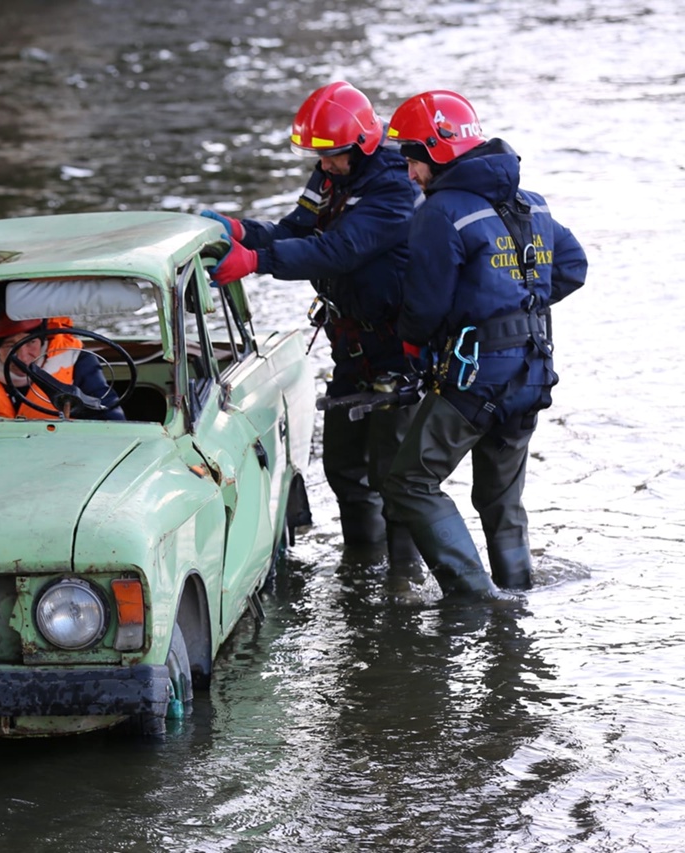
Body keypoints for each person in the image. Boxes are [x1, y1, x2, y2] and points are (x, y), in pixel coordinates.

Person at [202, 81, 423, 577]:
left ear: (362, 144)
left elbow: (338, 251)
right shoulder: (329, 174)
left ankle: (404, 582)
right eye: (317, 155)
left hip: (398, 351)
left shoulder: (395, 188)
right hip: (353, 344)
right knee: (343, 467)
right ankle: (362, 566)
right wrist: (243, 232)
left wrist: (256, 260)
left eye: (333, 155)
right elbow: (296, 232)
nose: (324, 164)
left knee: (397, 474)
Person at [381, 89, 587, 598]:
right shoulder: (532, 204)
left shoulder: (441, 211)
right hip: (533, 374)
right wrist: (518, 310)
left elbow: (425, 308)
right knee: (501, 498)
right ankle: (517, 598)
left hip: (475, 380)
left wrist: (419, 342)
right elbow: (573, 268)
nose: (409, 174)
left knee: (409, 482)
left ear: (438, 150)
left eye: (413, 160)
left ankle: (475, 599)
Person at [0, 312, 126, 420]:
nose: (22, 356)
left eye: (30, 343)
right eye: (9, 345)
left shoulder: (78, 360)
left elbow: (113, 419)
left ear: (43, 341)